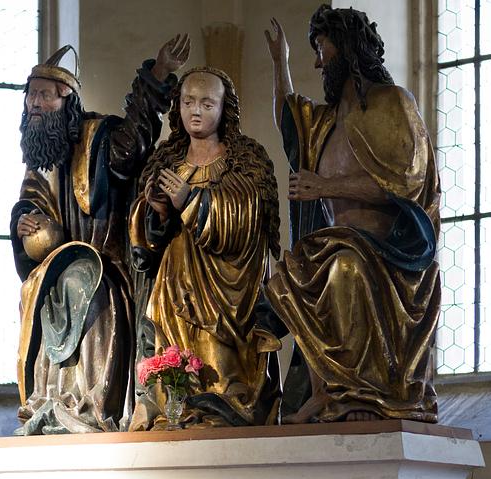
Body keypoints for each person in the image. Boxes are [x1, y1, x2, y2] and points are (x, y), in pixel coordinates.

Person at [263, 5, 441, 423]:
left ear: (346, 47)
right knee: (287, 277)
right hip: (335, 243)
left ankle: (360, 394)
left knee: (344, 268)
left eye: (322, 49)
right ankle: (327, 391)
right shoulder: (327, 121)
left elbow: (404, 183)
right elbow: (290, 120)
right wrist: (279, 62)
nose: (317, 62)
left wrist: (325, 187)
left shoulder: (391, 103)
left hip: (387, 251)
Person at [11, 37, 190, 435]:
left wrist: (158, 73)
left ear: (67, 100)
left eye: (44, 96)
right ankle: (49, 401)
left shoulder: (98, 138)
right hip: (55, 268)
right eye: (31, 96)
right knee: (44, 291)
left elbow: (132, 145)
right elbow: (29, 204)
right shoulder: (40, 160)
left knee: (81, 283)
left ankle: (87, 405)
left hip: (108, 268)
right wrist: (24, 222)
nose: (34, 104)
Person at [128, 67, 281, 429]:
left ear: (224, 109)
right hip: (173, 286)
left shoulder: (244, 160)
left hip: (224, 291)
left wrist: (191, 201)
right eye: (188, 102)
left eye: (207, 104)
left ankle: (222, 405)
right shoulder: (166, 162)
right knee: (172, 364)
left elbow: (247, 221)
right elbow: (144, 247)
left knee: (219, 375)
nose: (195, 111)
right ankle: (171, 407)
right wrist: (157, 213)